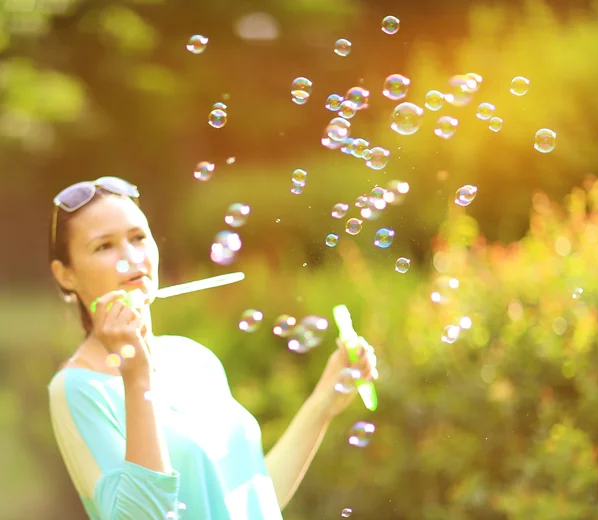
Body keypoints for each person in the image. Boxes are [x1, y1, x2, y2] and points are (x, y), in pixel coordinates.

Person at [47, 177, 378, 520]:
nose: (131, 257)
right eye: (104, 246)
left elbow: (250, 501)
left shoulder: (194, 358)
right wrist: (138, 379)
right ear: (66, 275)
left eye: (138, 238)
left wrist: (324, 402)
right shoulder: (77, 389)